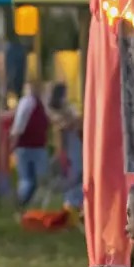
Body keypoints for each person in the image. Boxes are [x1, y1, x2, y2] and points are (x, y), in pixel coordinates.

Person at [10, 81, 50, 207]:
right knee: (27, 178)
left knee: (35, 178)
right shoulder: (27, 103)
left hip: (37, 146)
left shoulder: (40, 103)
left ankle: (27, 202)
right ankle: (22, 201)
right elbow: (19, 124)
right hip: (27, 145)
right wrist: (14, 142)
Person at [48, 82, 83, 211]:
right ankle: (71, 202)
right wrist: (71, 120)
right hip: (67, 145)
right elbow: (63, 124)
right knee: (70, 172)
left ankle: (76, 201)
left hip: (74, 143)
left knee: (77, 171)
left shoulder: (68, 107)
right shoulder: (55, 110)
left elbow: (76, 122)